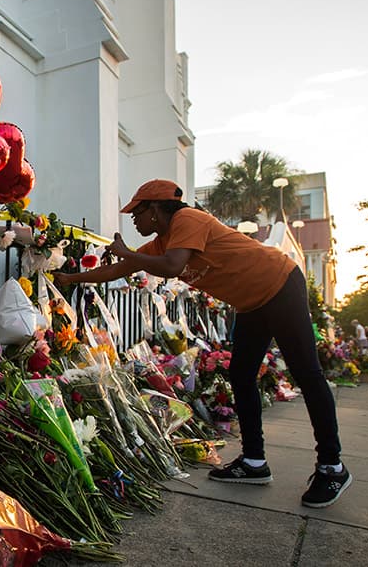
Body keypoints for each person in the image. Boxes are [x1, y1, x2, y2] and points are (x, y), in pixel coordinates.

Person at [53, 179, 351, 508]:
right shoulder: (161, 241)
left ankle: (332, 466)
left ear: (154, 208)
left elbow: (172, 266)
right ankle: (254, 462)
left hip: (279, 283)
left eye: (136, 213)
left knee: (307, 373)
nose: (133, 221)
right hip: (251, 303)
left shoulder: (187, 220)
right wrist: (70, 278)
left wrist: (125, 252)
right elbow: (123, 268)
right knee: (240, 375)